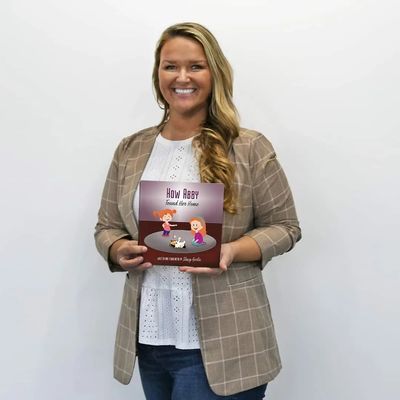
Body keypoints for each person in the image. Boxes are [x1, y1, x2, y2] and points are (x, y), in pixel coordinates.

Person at [95, 22, 301, 400]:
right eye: (170, 66)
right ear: (158, 74)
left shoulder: (249, 147)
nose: (182, 77)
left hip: (226, 343)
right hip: (150, 340)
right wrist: (118, 248)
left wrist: (231, 250)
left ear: (214, 73)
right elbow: (106, 226)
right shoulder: (131, 148)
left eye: (195, 66)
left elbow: (285, 227)